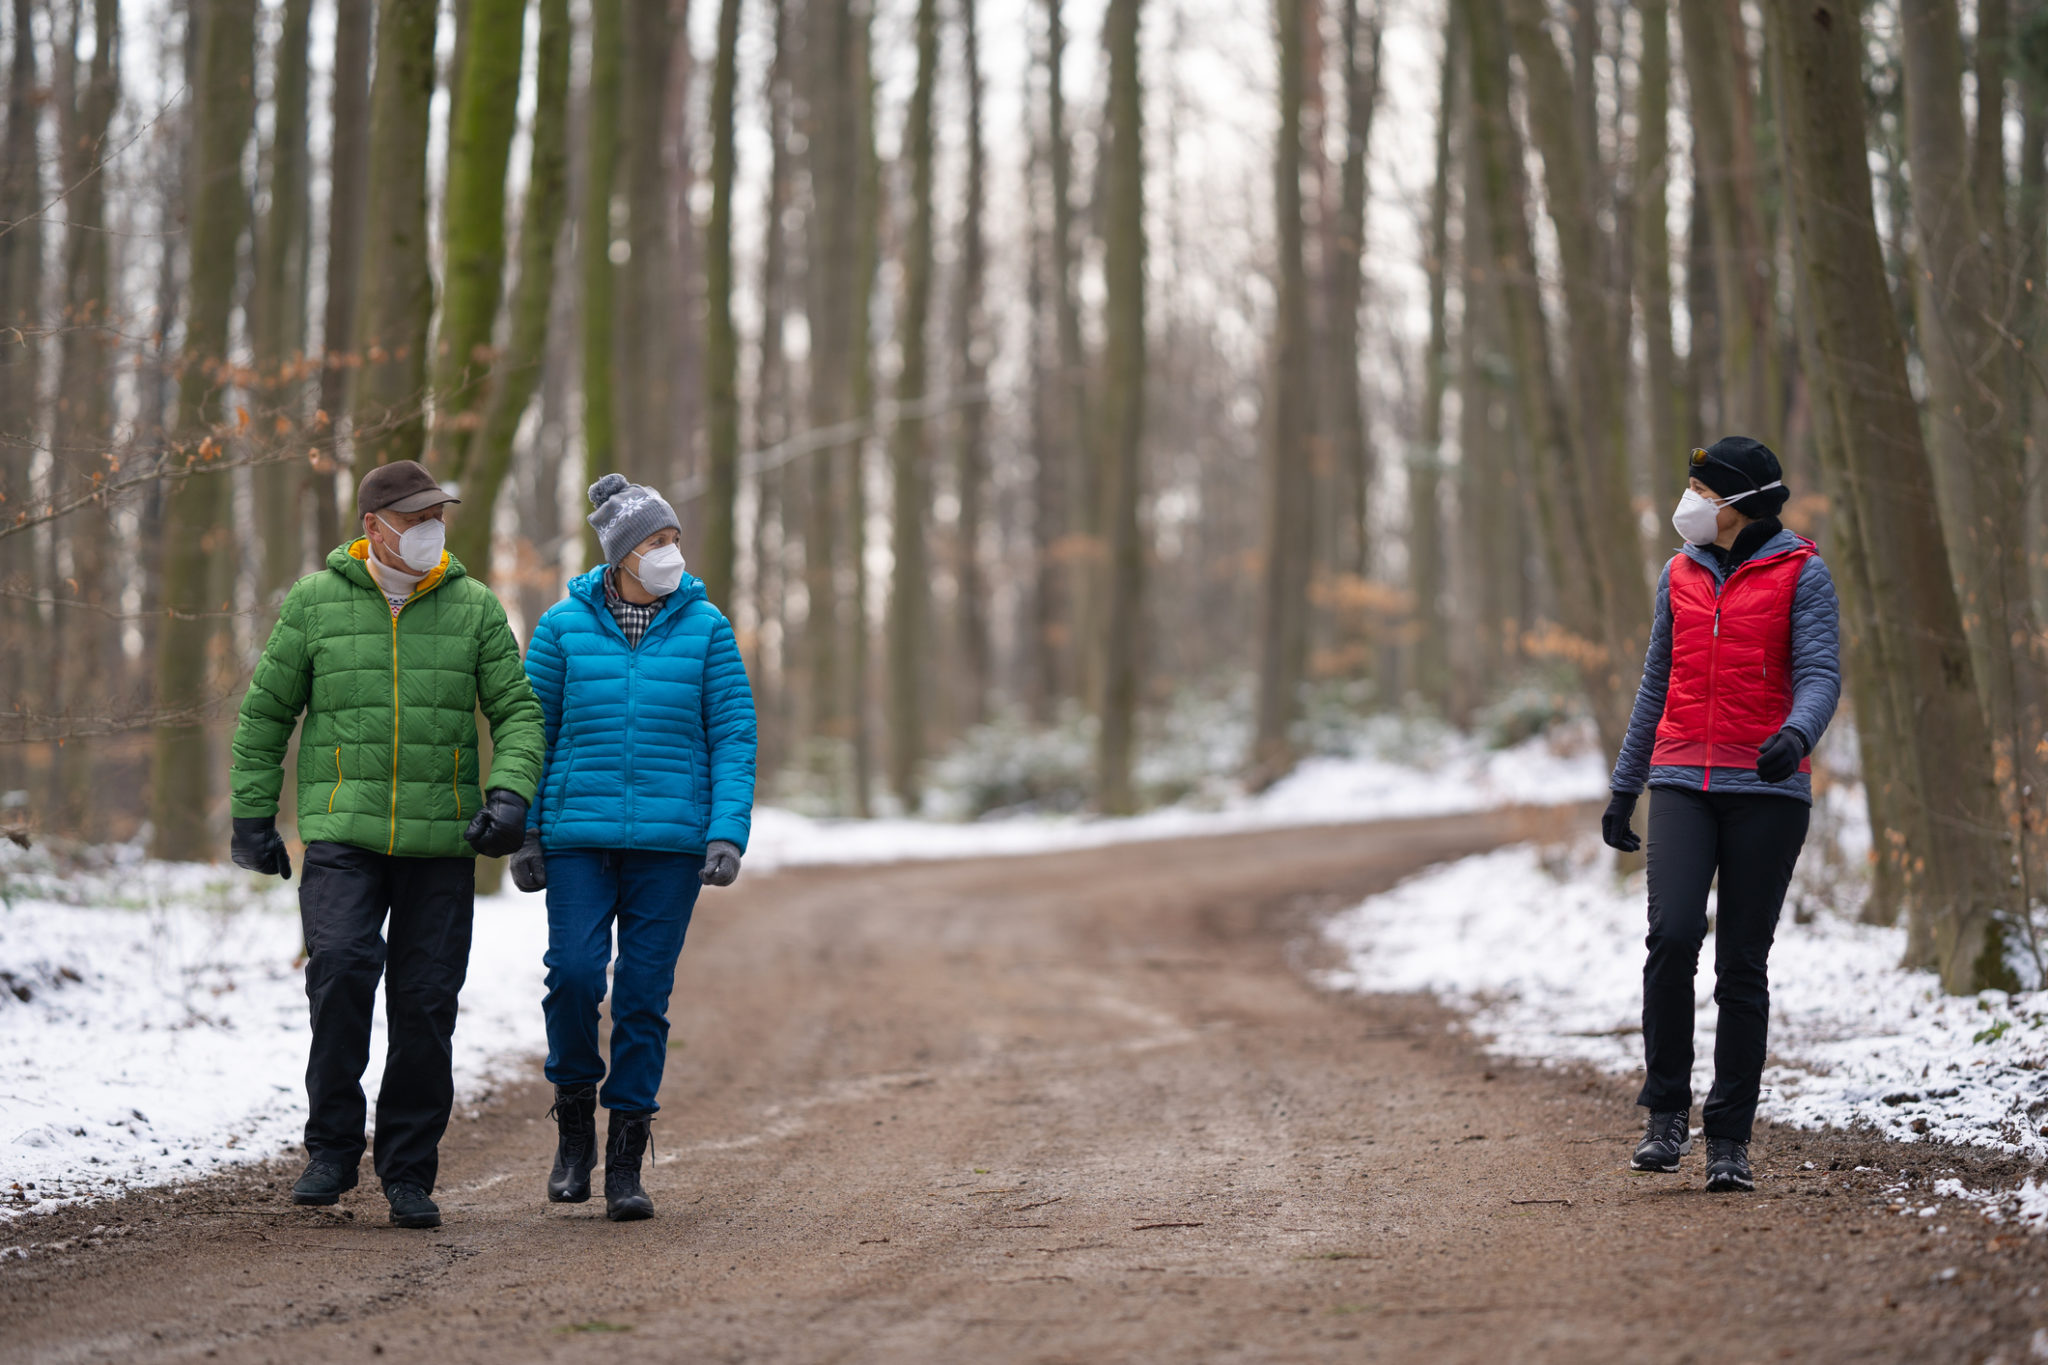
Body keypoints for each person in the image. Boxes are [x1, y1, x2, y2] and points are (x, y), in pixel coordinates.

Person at [228, 460, 545, 1229]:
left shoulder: (473, 608)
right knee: (339, 970)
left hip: (444, 840)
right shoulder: (314, 603)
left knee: (426, 1001)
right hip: (344, 832)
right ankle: (332, 1149)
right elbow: (267, 715)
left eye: (439, 512)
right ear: (375, 527)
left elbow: (519, 714)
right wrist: (251, 818)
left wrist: (509, 795)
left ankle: (408, 1170)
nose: (434, 527)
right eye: (418, 516)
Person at [511, 473, 758, 1221]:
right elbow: (531, 732)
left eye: (675, 539)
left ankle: (626, 1158)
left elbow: (734, 734)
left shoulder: (707, 627)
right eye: (656, 541)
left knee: (645, 996)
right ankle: (575, 1128)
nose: (670, 553)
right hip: (578, 838)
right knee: (577, 977)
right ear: (620, 553)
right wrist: (525, 829)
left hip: (671, 845)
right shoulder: (561, 627)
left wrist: (725, 830)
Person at [1602, 437, 1840, 1193]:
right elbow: (1653, 687)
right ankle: (1666, 1113)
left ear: (1739, 501)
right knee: (1671, 937)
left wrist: (1796, 735)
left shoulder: (1803, 572)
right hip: (1680, 778)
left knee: (1742, 965)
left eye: (1702, 489)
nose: (1690, 500)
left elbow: (1820, 674)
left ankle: (1729, 1136)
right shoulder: (1679, 572)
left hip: (1766, 791)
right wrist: (1624, 786)